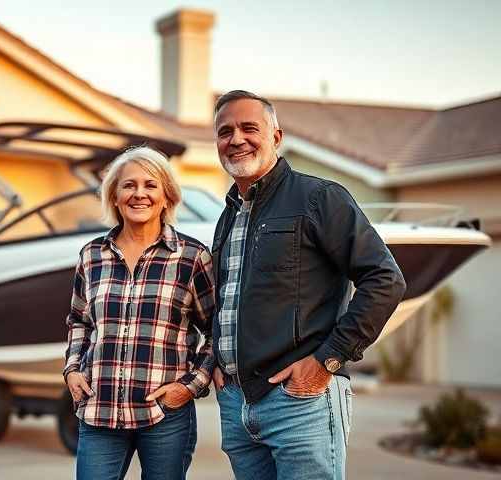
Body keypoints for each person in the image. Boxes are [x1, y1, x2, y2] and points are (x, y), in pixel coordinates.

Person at [210, 90, 406, 479]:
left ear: (276, 137)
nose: (236, 139)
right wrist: (219, 366)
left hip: (300, 400)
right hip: (237, 403)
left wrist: (327, 361)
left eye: (250, 128)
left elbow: (385, 279)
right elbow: (226, 301)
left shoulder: (319, 197)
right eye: (225, 131)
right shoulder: (227, 218)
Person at [63, 146, 216, 480]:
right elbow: (79, 321)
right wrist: (72, 369)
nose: (139, 194)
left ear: (167, 197)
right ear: (114, 196)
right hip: (99, 409)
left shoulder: (192, 257)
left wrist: (191, 385)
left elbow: (217, 331)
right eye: (128, 185)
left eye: (150, 185)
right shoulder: (92, 255)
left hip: (165, 414)